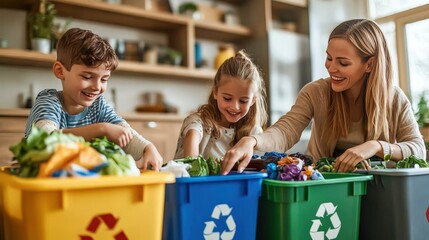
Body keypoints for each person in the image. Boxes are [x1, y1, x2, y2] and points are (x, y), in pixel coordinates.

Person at [221, 19, 426, 175]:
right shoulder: (315, 92)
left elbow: (418, 150)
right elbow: (286, 131)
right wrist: (252, 141)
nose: (331, 68)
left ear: (369, 65)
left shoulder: (394, 99)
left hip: (378, 189)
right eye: (329, 58)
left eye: (343, 63)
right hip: (326, 186)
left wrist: (376, 146)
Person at [24, 27, 163, 170]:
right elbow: (45, 140)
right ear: (60, 71)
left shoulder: (99, 105)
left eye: (104, 79)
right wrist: (101, 129)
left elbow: (125, 133)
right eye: (87, 77)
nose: (97, 87)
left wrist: (148, 148)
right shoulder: (49, 101)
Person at [174, 50, 267, 161]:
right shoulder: (197, 122)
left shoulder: (254, 132)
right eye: (227, 98)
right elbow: (191, 158)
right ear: (215, 92)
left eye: (243, 101)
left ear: (253, 100)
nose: (235, 107)